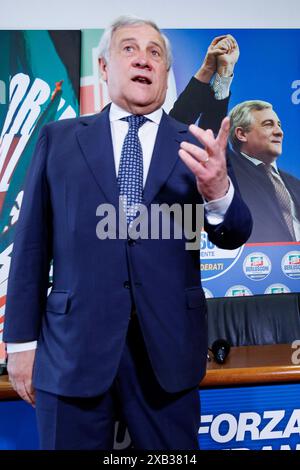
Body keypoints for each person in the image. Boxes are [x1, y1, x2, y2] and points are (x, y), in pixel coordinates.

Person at [3, 16, 252, 450]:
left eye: (155, 52)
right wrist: (20, 344)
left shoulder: (195, 144)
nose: (144, 59)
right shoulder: (57, 139)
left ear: (165, 73)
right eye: (129, 49)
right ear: (103, 67)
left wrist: (219, 192)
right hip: (72, 353)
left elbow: (234, 233)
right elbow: (30, 249)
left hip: (168, 355)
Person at [228, 100, 300, 242]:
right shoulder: (228, 171)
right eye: (268, 125)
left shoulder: (295, 183)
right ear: (241, 134)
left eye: (279, 125)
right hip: (256, 259)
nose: (279, 132)